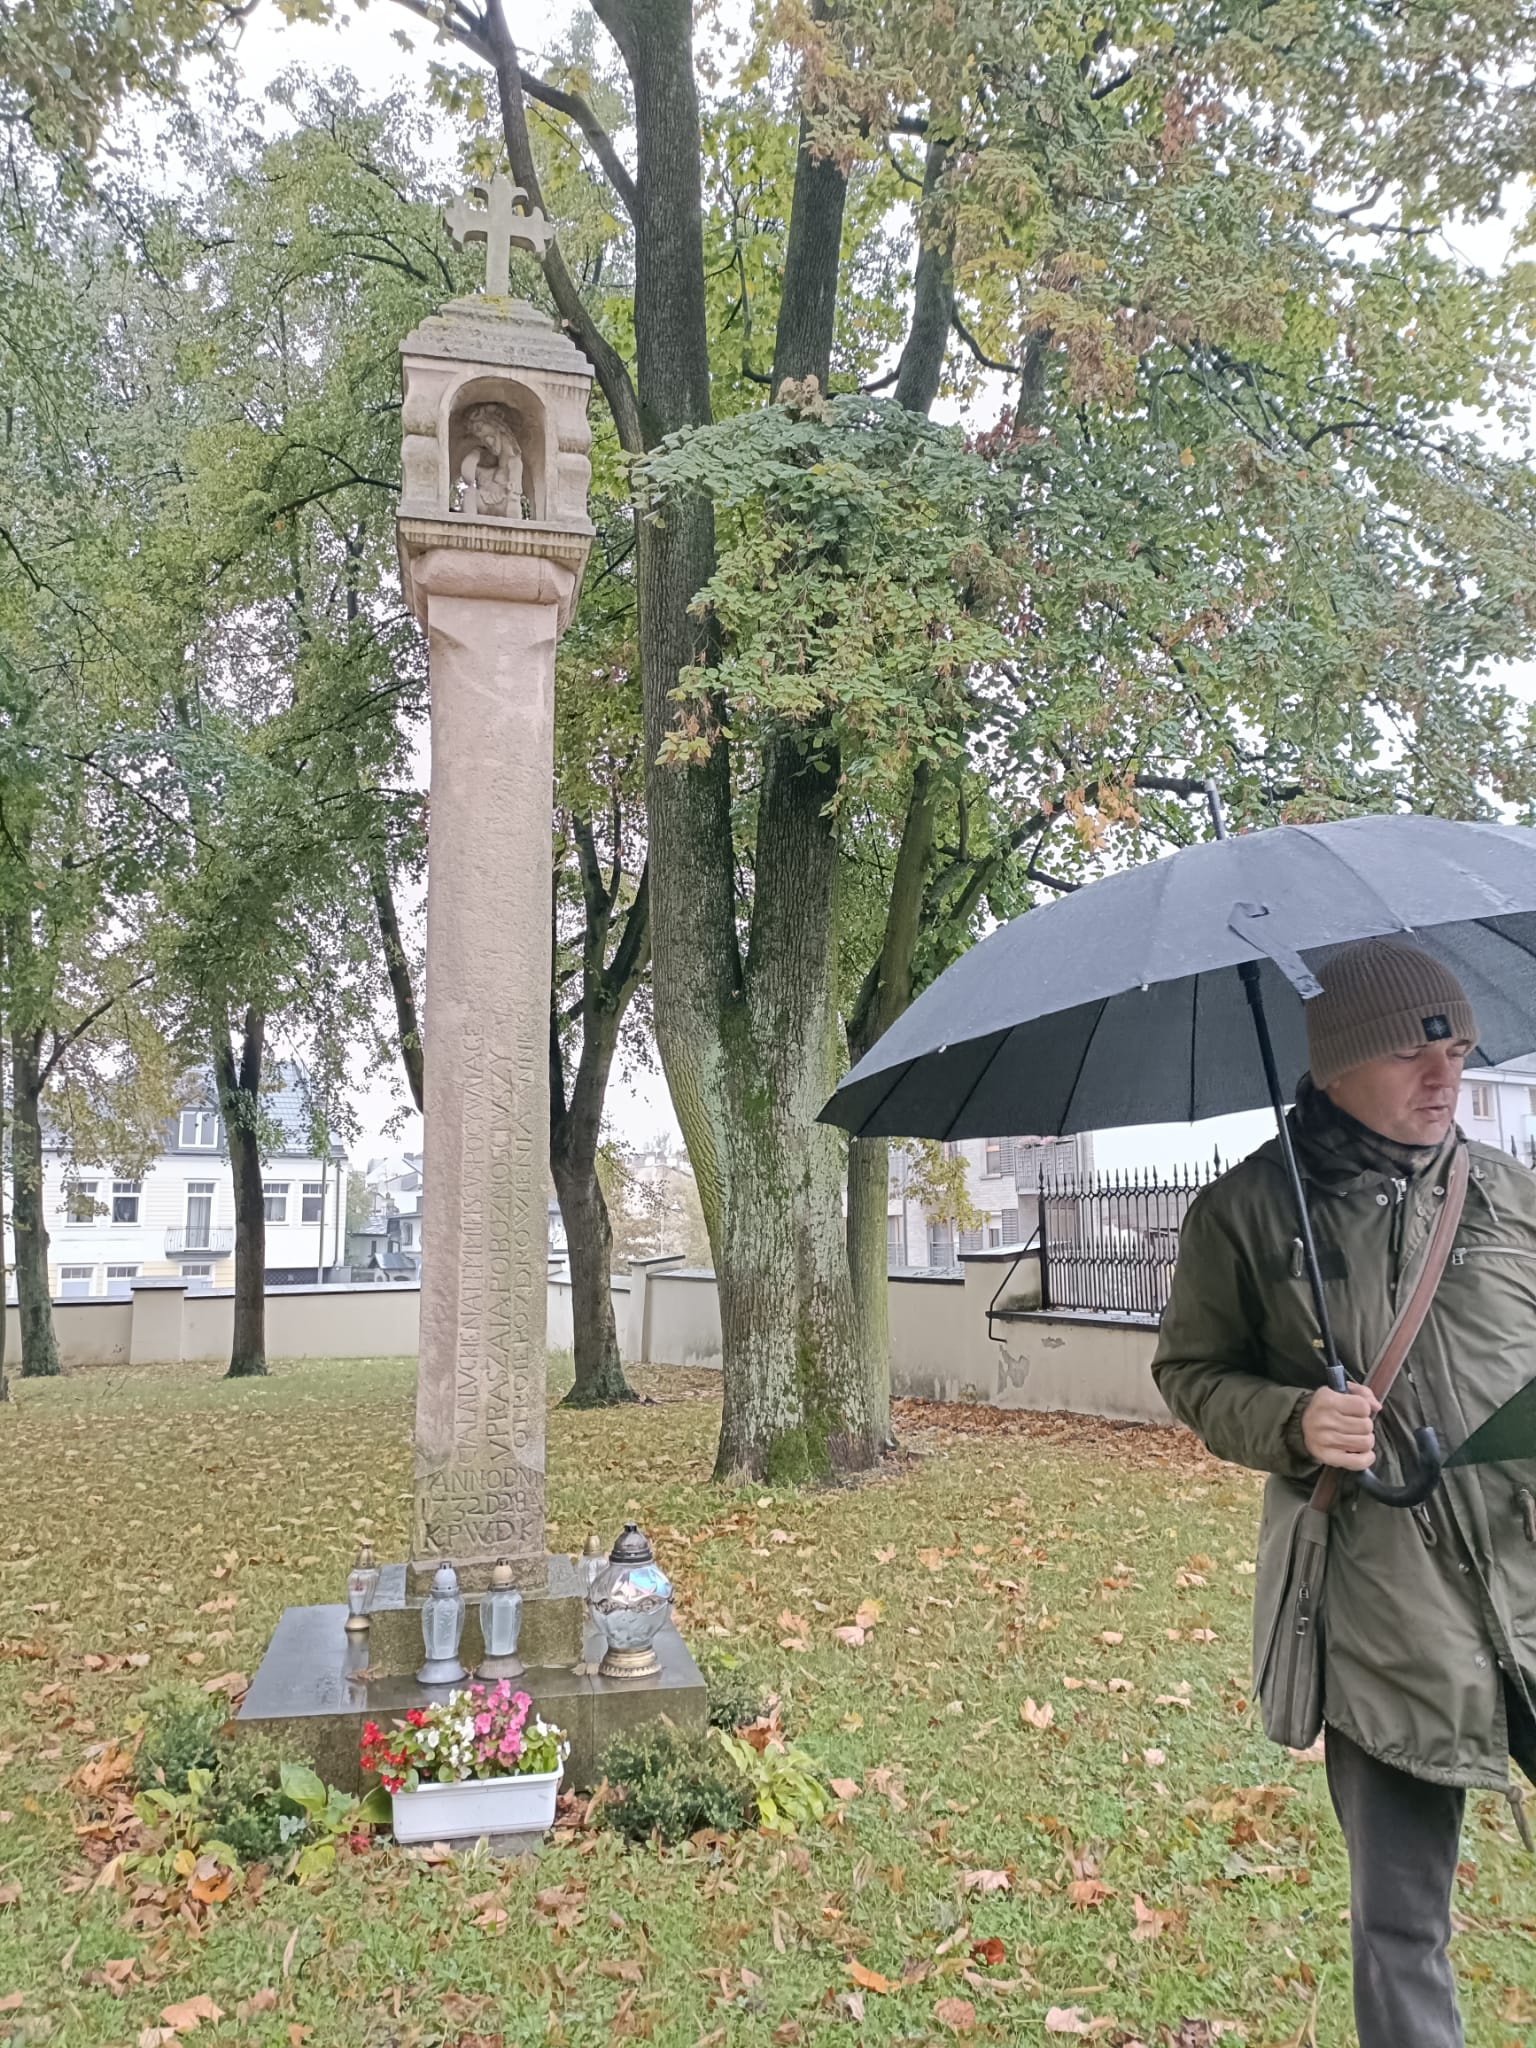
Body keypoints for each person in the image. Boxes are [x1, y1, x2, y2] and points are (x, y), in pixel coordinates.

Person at [1153, 936, 1536, 2048]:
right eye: (1415, 1053)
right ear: (1334, 1065)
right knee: (1402, 1922)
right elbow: (1189, 1372)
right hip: (1380, 1611)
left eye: (1458, 1051)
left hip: (1526, 1569)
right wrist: (1293, 1420)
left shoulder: (1514, 1196)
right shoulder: (1247, 1212)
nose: (1445, 1077)